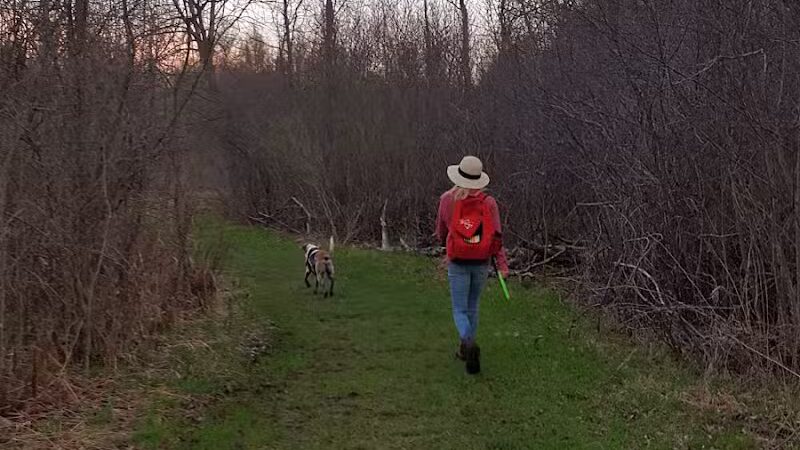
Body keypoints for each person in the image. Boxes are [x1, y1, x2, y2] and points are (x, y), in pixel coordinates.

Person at [435, 155, 509, 375]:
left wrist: (444, 242)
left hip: (457, 261)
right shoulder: (489, 203)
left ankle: (467, 344)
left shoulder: (447, 199)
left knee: (459, 309)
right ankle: (466, 346)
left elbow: (441, 231)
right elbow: (497, 237)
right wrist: (502, 265)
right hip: (481, 262)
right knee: (473, 306)